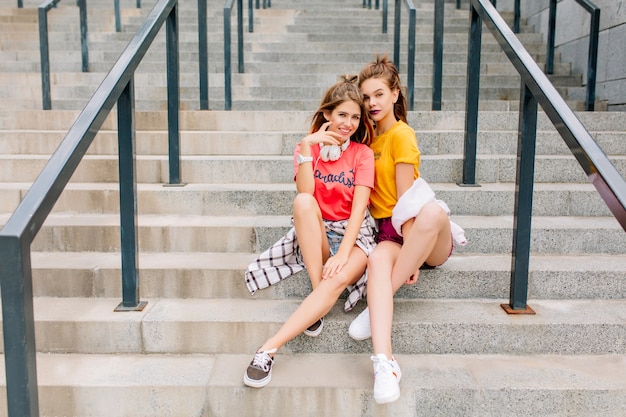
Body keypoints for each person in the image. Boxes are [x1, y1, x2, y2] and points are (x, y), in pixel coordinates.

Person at [242, 75, 377, 388]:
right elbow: (306, 194)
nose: (349, 123)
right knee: (302, 201)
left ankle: (268, 350)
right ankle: (318, 298)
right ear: (327, 114)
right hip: (317, 231)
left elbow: (359, 210)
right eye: (342, 115)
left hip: (354, 238)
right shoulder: (306, 149)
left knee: (337, 278)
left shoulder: (362, 154)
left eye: (355, 117)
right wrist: (307, 146)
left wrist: (344, 253)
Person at [348, 55, 467, 404]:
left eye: (379, 94)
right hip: (389, 231)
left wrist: (414, 258)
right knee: (377, 264)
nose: (372, 103)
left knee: (432, 211)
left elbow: (406, 202)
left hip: (422, 232)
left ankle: (378, 302)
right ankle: (385, 363)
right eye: (366, 97)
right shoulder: (368, 139)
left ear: (396, 94)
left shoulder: (402, 135)